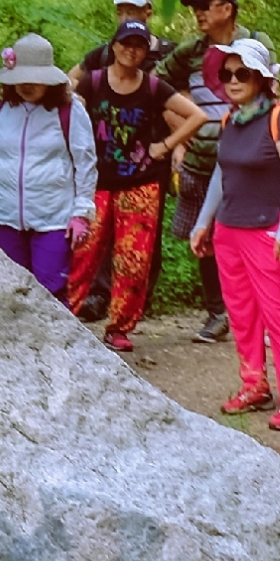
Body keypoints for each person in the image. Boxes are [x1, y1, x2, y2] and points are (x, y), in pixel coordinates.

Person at [188, 37, 280, 429]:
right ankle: (254, 385)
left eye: (242, 73)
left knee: (278, 317)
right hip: (229, 230)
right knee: (242, 315)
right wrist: (203, 222)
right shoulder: (230, 119)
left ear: (260, 78)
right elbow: (221, 175)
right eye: (227, 74)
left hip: (268, 230)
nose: (233, 80)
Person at [70, 21, 203, 350]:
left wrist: (166, 145)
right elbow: (65, 108)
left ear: (146, 52)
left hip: (140, 184)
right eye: (125, 43)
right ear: (113, 46)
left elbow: (197, 116)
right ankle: (64, 316)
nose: (131, 49)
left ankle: (119, 327)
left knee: (133, 260)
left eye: (139, 45)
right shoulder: (93, 82)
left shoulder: (153, 87)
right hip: (95, 183)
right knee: (81, 251)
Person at [0, 34, 96, 299]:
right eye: (21, 77)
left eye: (34, 78)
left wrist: (82, 212)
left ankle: (55, 341)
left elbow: (86, 163)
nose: (26, 85)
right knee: (12, 291)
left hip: (54, 217)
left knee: (49, 291)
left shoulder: (69, 111)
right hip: (5, 215)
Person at [161, 0, 245, 342]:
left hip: (245, 162)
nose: (197, 13)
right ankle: (217, 313)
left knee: (246, 236)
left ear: (226, 9)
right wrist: (179, 134)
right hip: (201, 161)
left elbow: (273, 92)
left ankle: (251, 314)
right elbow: (155, 87)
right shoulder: (190, 51)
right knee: (205, 236)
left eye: (205, 6)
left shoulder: (252, 45)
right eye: (194, 6)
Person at [76, 0, 172, 84]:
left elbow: (184, 92)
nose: (124, 19)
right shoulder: (106, 52)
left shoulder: (170, 54)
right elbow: (73, 79)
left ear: (148, 14)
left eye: (130, 13)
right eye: (119, 13)